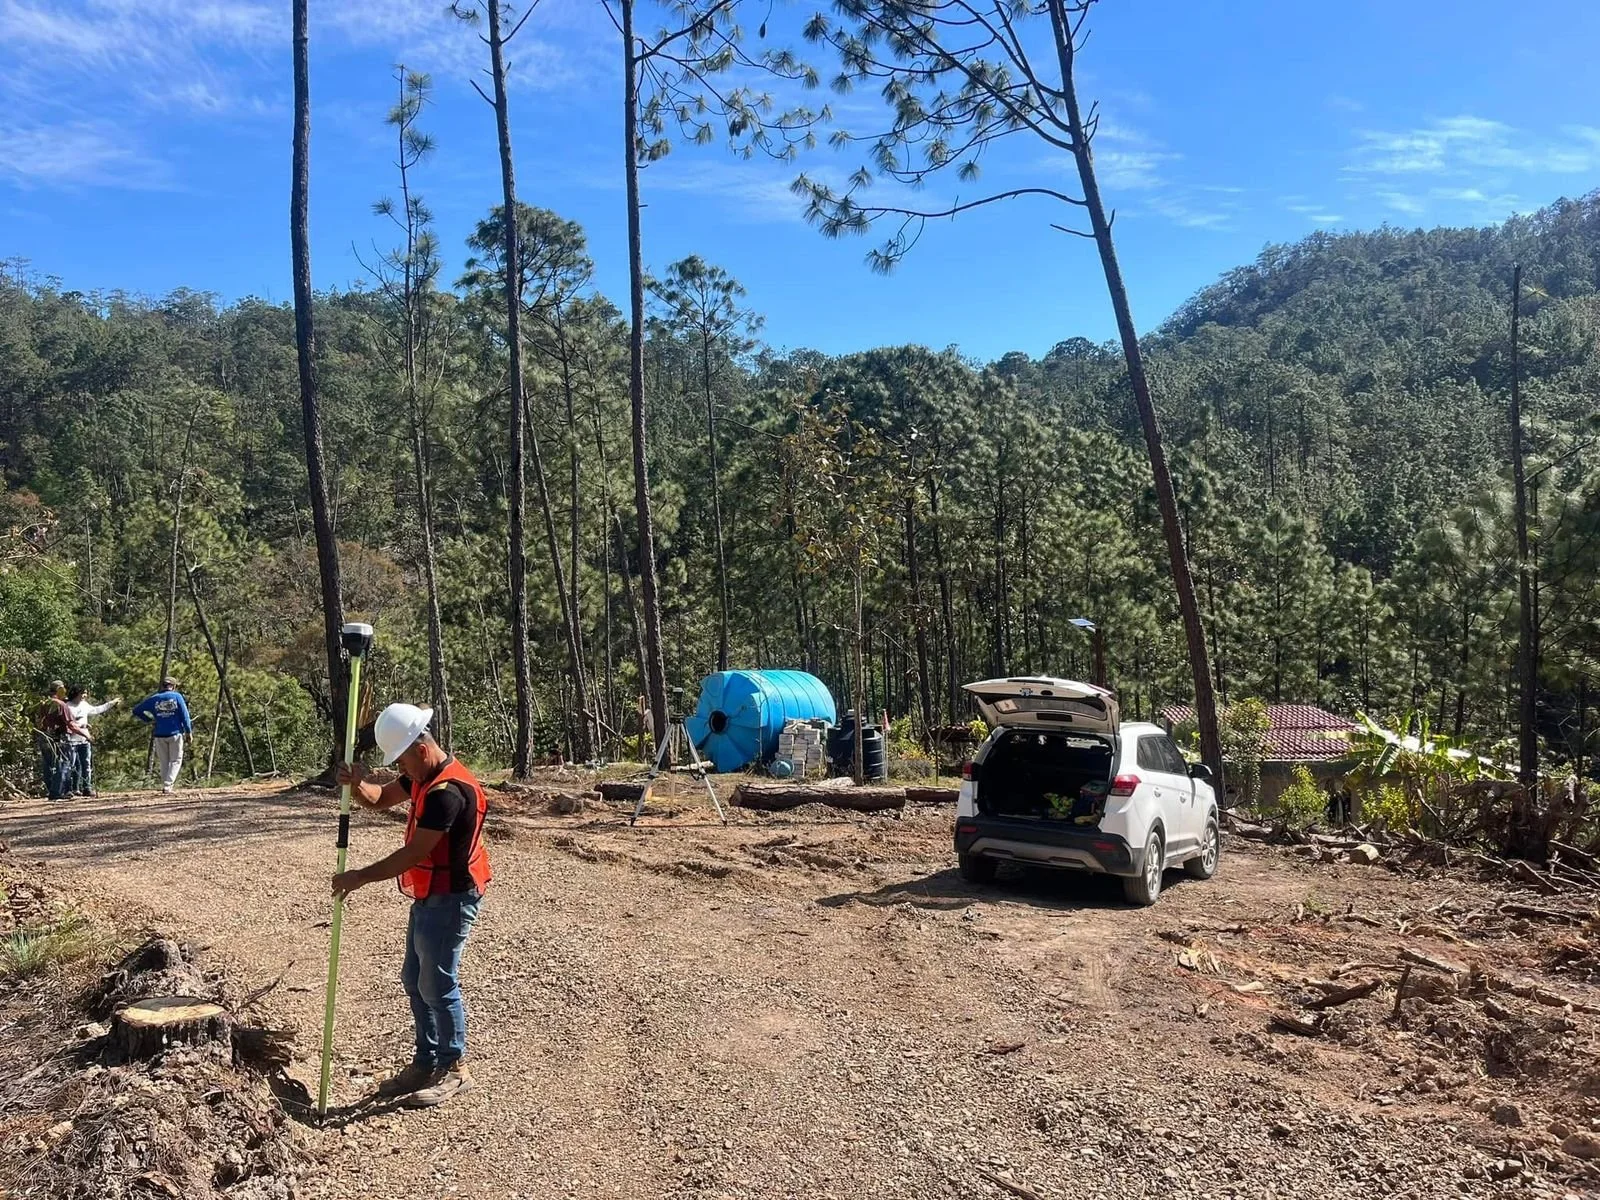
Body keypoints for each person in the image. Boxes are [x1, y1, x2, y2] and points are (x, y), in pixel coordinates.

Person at [333, 702, 492, 1108]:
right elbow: (379, 798)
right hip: (430, 892)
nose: (401, 770)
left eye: (402, 761)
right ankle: (426, 1061)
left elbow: (412, 853)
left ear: (421, 749)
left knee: (437, 982)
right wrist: (358, 783)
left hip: (452, 896)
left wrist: (358, 877)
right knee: (414, 978)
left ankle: (455, 1068)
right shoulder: (423, 774)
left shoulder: (447, 794)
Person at [132, 678, 193, 794]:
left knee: (164, 761)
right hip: (175, 733)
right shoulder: (177, 697)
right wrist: (188, 732)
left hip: (159, 735)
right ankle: (168, 785)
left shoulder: (154, 698)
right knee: (176, 760)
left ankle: (166, 785)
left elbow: (136, 710)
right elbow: (185, 715)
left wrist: (148, 720)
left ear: (163, 686)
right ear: (173, 686)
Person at [65, 686, 120, 798]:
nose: (85, 696)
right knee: (72, 765)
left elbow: (96, 710)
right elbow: (69, 724)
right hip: (71, 740)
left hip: (84, 740)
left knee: (86, 764)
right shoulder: (67, 706)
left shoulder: (84, 705)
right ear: (76, 693)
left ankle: (87, 788)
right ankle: (70, 789)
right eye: (83, 693)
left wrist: (111, 703)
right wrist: (82, 726)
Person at [30, 680, 78, 802]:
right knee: (63, 763)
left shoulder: (42, 704)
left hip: (43, 736)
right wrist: (86, 735)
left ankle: (55, 790)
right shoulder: (61, 705)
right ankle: (57, 792)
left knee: (48, 764)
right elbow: (71, 724)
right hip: (59, 737)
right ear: (60, 690)